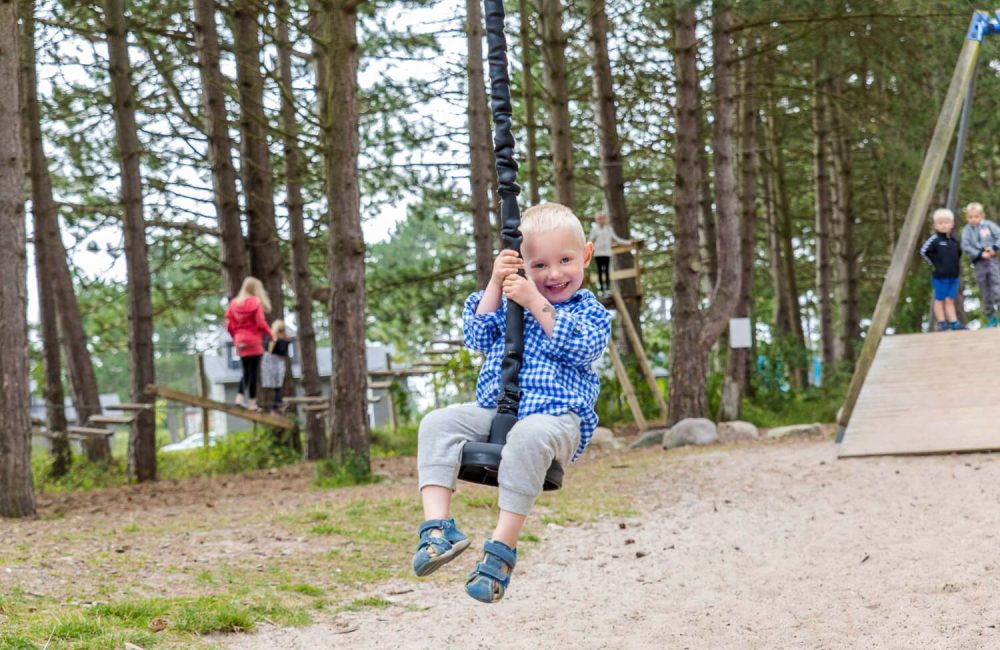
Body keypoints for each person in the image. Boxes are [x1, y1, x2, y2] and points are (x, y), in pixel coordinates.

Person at [412, 202, 611, 603]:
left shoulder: (589, 310)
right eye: (539, 265)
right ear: (522, 266)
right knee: (436, 423)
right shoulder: (509, 301)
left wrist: (535, 302)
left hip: (556, 418)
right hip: (496, 408)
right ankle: (437, 530)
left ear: (586, 255)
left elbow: (583, 348)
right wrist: (495, 282)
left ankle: (501, 549)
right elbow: (477, 336)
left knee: (528, 435)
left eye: (565, 260)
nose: (553, 274)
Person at [225, 277, 274, 411]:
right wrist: (271, 335)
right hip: (254, 341)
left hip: (240, 341)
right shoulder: (255, 302)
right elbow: (261, 323)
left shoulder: (234, 303)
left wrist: (236, 338)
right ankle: (252, 403)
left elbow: (229, 325)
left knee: (246, 371)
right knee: (253, 373)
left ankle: (239, 398)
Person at [919, 208, 964, 332]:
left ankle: (954, 322)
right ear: (935, 225)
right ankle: (942, 323)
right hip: (940, 276)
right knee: (939, 299)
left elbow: (958, 254)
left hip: (953, 276)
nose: (943, 225)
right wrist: (935, 265)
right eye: (940, 223)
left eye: (946, 222)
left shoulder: (954, 241)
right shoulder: (934, 240)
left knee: (950, 299)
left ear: (952, 224)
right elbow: (923, 252)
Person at [961, 202, 1000, 328]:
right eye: (970, 217)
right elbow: (966, 246)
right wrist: (979, 254)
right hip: (978, 263)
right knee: (985, 291)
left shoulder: (989, 226)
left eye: (976, 216)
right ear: (967, 217)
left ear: (982, 216)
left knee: (997, 287)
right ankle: (991, 318)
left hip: (992, 261)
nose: (973, 219)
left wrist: (994, 248)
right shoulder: (967, 230)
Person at [588, 212, 631, 295]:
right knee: (600, 271)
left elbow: (616, 239)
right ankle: (601, 289)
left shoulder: (609, 229)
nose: (601, 220)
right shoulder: (595, 230)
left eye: (602, 218)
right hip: (598, 254)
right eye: (599, 218)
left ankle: (607, 288)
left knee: (607, 270)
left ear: (605, 219)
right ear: (597, 220)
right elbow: (590, 240)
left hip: (607, 253)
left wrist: (628, 242)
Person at [261, 319, 293, 413]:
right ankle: (275, 405)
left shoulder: (275, 339)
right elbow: (277, 351)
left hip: (274, 362)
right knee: (276, 384)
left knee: (277, 385)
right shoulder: (275, 339)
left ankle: (276, 404)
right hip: (274, 362)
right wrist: (286, 342)